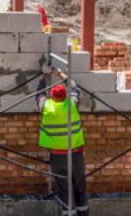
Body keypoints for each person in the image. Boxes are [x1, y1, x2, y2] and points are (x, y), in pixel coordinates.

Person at [37, 71, 89, 216]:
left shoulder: (47, 107)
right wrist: (62, 75)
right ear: (65, 96)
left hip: (58, 158)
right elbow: (75, 89)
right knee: (80, 188)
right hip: (76, 155)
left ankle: (69, 213)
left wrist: (44, 77)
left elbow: (38, 95)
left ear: (52, 97)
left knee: (65, 190)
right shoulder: (72, 104)